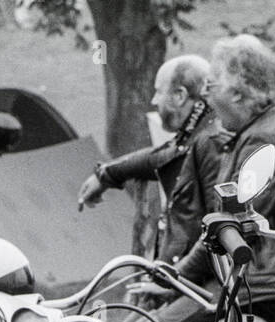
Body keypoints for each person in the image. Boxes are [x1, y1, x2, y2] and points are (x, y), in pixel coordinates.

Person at [130, 34, 275, 322]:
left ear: (237, 94)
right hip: (255, 279)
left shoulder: (266, 140)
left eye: (211, 87)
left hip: (264, 284)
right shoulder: (257, 132)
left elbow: (229, 225)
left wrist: (174, 278)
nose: (207, 99)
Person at [78, 55, 220, 266]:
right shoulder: (196, 133)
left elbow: (216, 229)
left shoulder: (209, 141)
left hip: (200, 281)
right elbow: (161, 156)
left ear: (179, 95)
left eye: (159, 91)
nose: (154, 101)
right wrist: (106, 174)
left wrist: (172, 278)